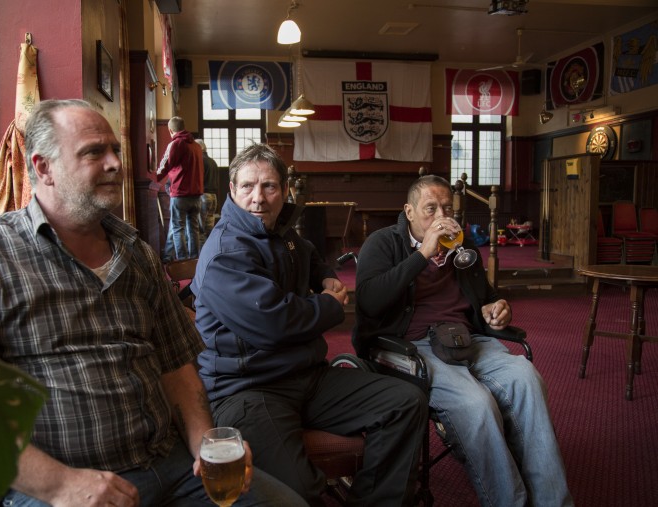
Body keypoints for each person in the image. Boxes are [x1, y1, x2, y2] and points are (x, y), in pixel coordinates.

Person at [0, 100, 307, 507]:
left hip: (169, 464)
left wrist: (204, 443)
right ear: (43, 167)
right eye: (94, 152)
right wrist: (58, 485)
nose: (116, 163)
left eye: (115, 150)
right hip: (54, 484)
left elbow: (177, 366)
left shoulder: (137, 253)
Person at [191, 143, 429, 507]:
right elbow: (274, 323)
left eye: (269, 186)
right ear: (232, 192)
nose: (259, 198)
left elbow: (304, 252)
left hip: (306, 376)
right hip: (247, 389)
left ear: (284, 190)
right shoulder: (225, 251)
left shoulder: (279, 230)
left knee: (406, 402)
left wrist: (325, 276)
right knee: (301, 491)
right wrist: (330, 305)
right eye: (247, 187)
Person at [354, 174, 573, 507]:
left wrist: (499, 307)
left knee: (528, 379)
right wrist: (422, 255)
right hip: (412, 347)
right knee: (476, 404)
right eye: (431, 208)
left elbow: (486, 295)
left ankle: (553, 502)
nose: (442, 217)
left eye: (447, 207)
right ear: (409, 212)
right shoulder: (383, 243)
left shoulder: (462, 245)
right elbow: (369, 302)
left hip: (466, 338)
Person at [157, 116, 203, 261]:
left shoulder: (176, 144)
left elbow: (165, 165)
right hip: (196, 195)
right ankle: (194, 260)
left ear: (170, 130)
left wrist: (154, 179)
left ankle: (182, 261)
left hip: (180, 194)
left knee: (177, 228)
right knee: (193, 228)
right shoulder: (196, 146)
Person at [195, 139, 219, 244]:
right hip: (213, 197)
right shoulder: (213, 162)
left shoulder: (200, 161)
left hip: (203, 196)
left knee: (200, 229)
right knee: (209, 229)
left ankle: (200, 257)